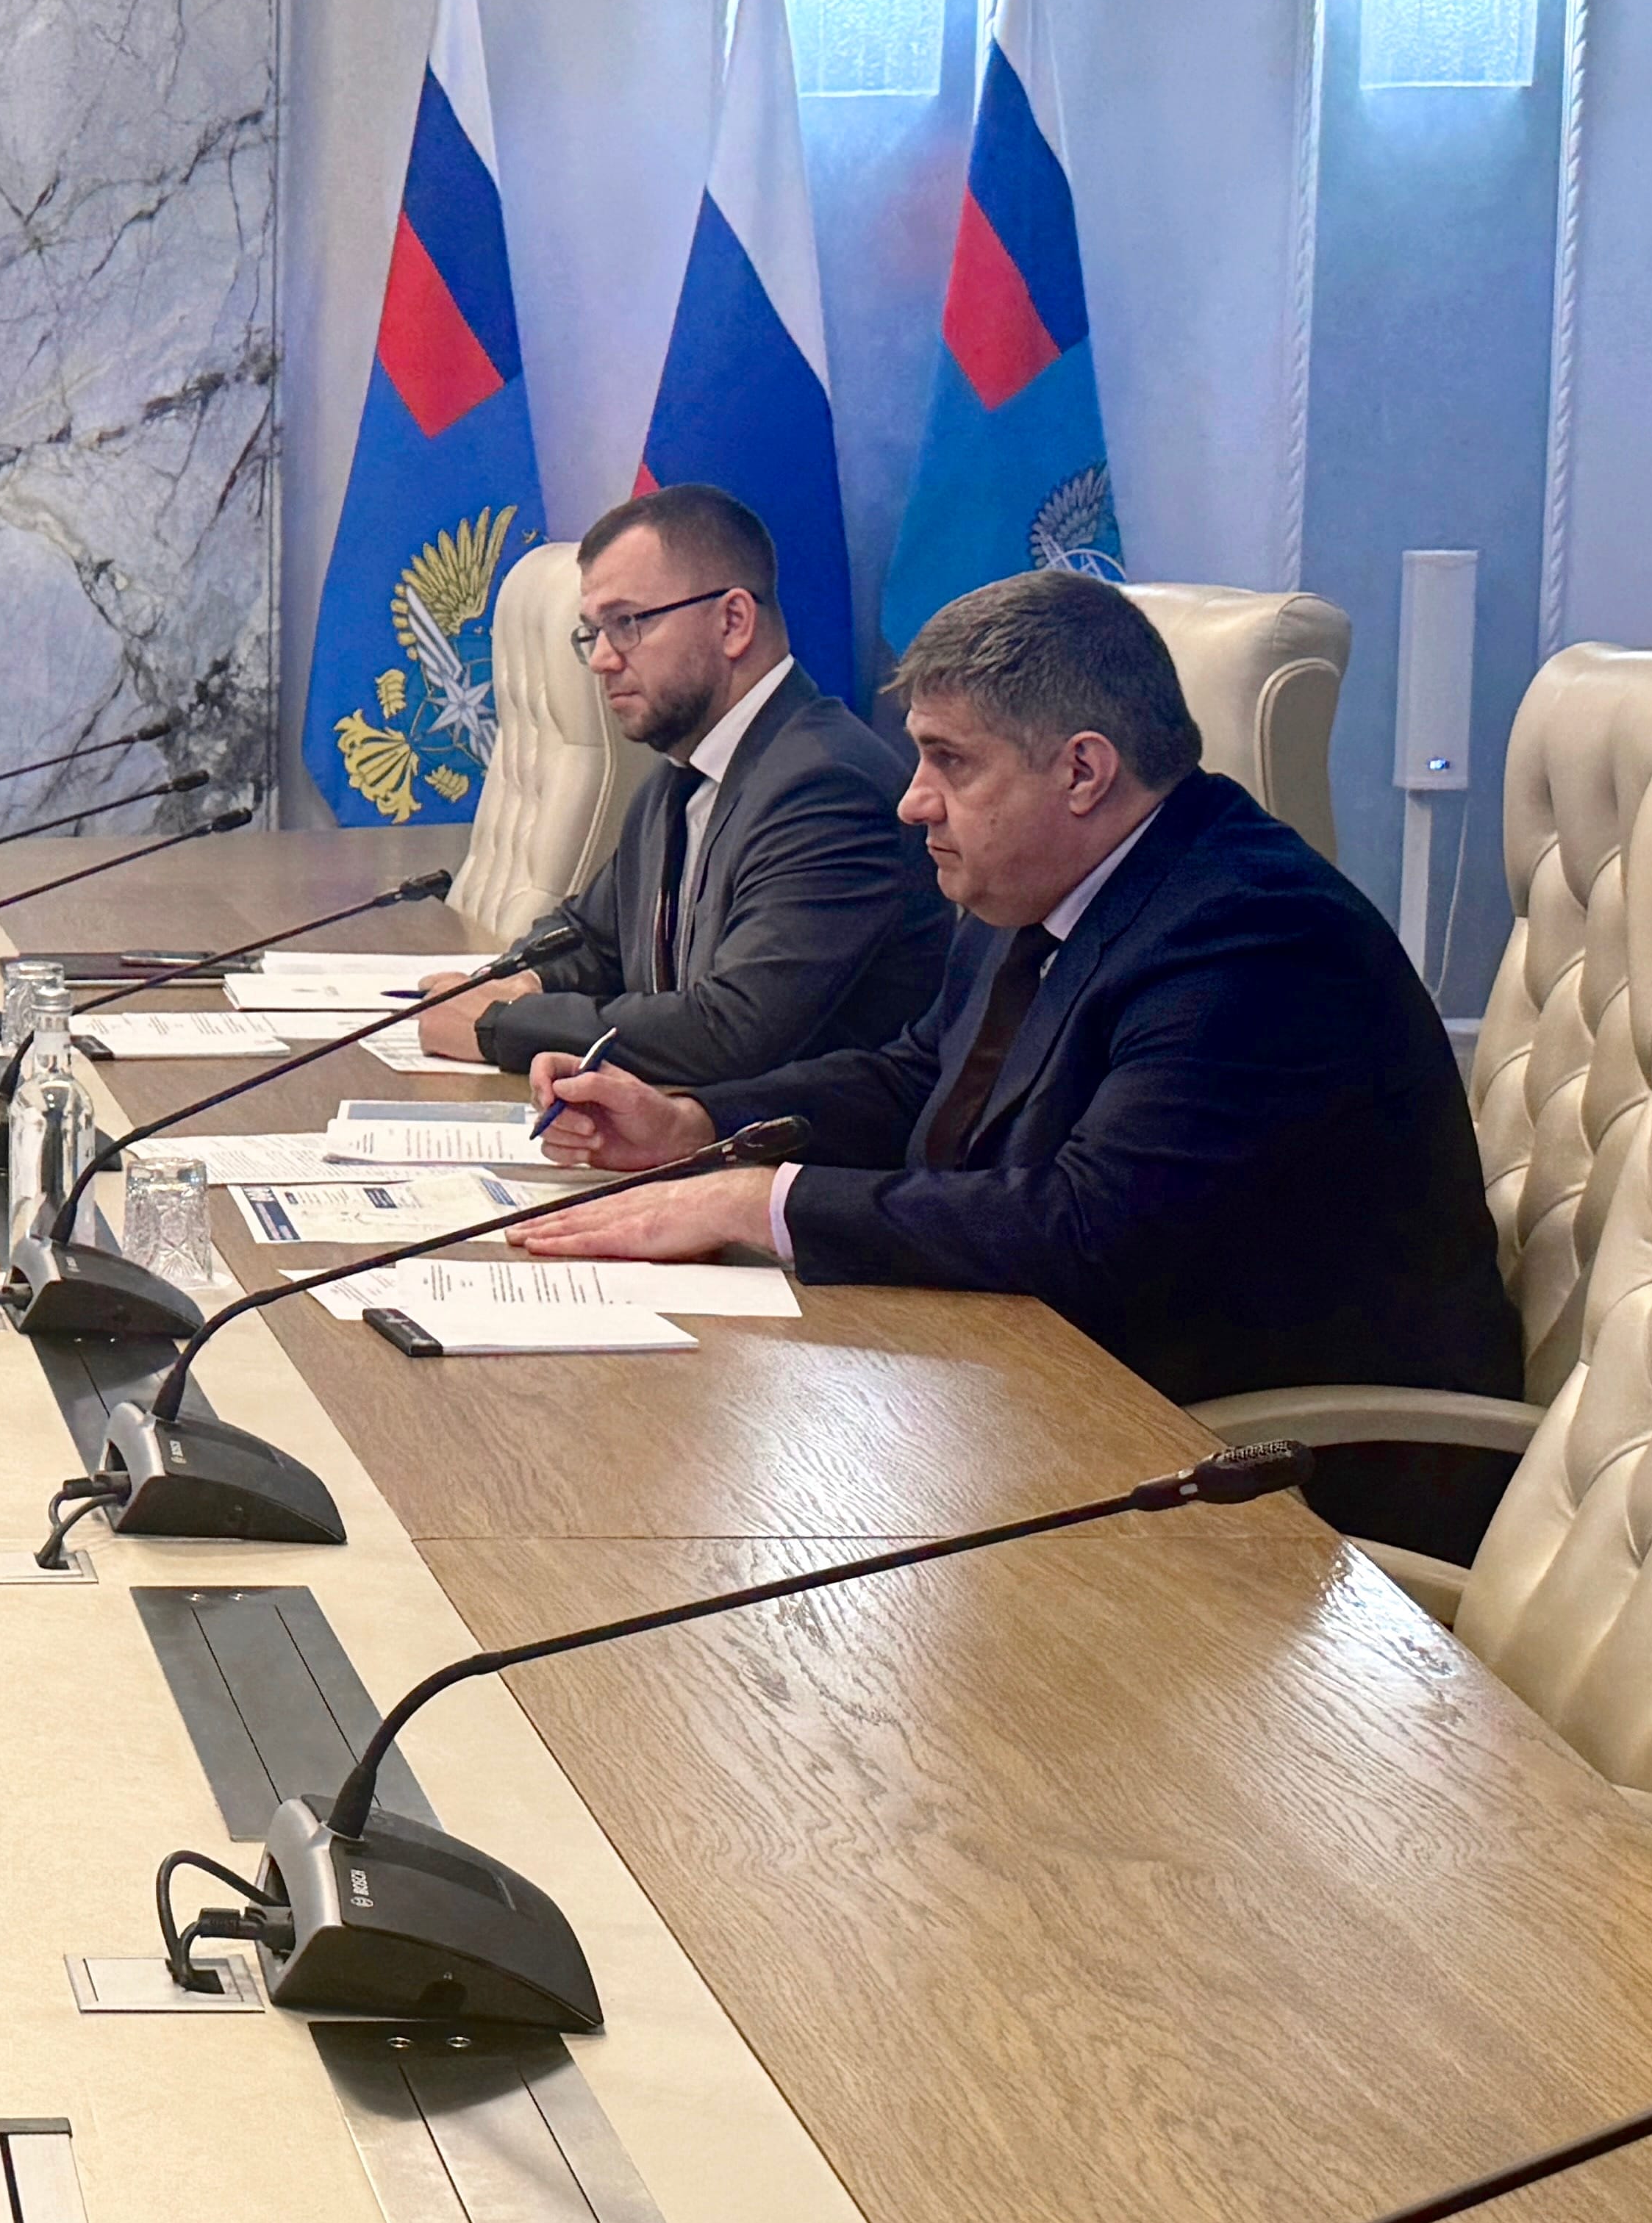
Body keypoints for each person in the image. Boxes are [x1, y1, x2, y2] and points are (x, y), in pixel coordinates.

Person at [512, 568, 1518, 1552]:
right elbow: (922, 1077)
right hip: (1065, 1398)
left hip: (1284, 1488)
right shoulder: (1044, 880)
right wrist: (697, 1123)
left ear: (1083, 772)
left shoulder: (1252, 936)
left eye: (950, 763)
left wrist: (757, 1202)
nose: (912, 803)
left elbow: (1086, 1229)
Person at [415, 485, 949, 1082]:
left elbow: (732, 1028)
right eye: (593, 632)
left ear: (733, 622)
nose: (602, 659)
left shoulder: (827, 788)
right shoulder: (680, 775)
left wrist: (501, 1025)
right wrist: (518, 980)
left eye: (626, 623)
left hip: (799, 1136)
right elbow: (590, 939)